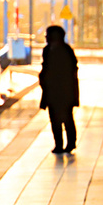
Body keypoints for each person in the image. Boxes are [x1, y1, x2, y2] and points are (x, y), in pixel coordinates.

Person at [38, 24, 79, 153]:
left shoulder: (63, 51)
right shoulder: (49, 50)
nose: (46, 38)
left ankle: (69, 143)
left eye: (48, 35)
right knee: (56, 119)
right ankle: (60, 144)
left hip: (63, 91)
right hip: (53, 91)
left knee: (66, 118)